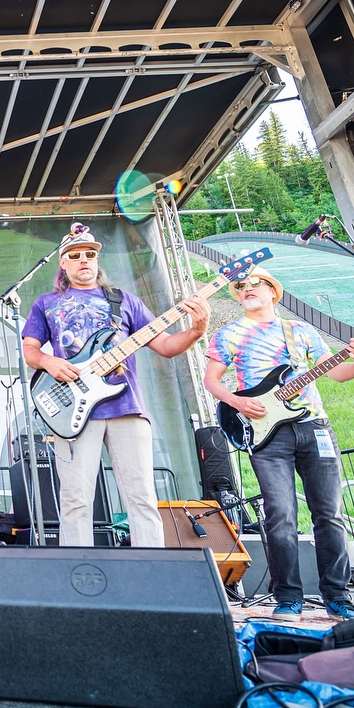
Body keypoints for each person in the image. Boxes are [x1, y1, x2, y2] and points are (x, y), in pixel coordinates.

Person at [201, 265, 354, 621]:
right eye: (241, 287)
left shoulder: (300, 331)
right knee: (280, 515)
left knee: (329, 515)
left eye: (254, 284)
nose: (246, 289)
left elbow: (337, 372)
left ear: (272, 292)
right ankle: (288, 598)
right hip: (266, 432)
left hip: (314, 427)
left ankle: (338, 598)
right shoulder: (229, 334)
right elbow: (212, 381)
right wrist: (237, 402)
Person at [20, 224, 210, 547]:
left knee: (142, 498)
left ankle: (149, 578)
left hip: (127, 408)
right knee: (76, 500)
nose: (84, 260)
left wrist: (196, 330)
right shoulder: (46, 303)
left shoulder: (124, 302)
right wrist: (50, 362)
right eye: (75, 255)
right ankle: (80, 580)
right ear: (62, 263)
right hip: (74, 414)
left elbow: (165, 345)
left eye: (90, 254)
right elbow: (30, 350)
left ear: (97, 260)